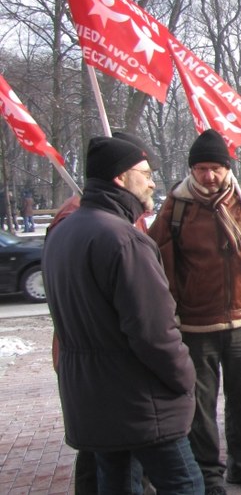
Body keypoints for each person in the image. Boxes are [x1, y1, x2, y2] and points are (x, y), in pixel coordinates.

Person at [43, 135, 203, 493]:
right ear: (120, 178)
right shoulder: (123, 239)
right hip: (139, 401)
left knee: (114, 483)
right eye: (145, 173)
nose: (152, 182)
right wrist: (185, 377)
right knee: (185, 484)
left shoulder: (63, 231)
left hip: (92, 396)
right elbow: (153, 332)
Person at [148, 129, 241, 495]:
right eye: (202, 168)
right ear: (192, 170)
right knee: (201, 405)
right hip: (195, 323)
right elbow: (155, 258)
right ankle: (208, 474)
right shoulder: (177, 207)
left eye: (216, 168)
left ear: (228, 169)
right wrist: (170, 310)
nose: (210, 176)